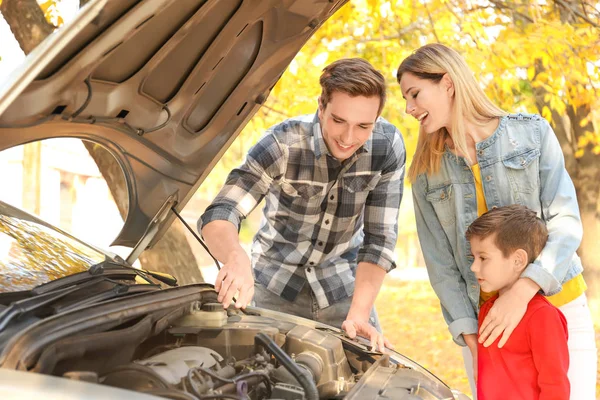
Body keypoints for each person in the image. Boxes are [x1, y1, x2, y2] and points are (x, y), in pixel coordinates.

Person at [396, 43, 597, 399]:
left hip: (558, 306)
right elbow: (442, 266)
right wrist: (472, 341)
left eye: (414, 94)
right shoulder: (426, 172)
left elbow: (564, 222)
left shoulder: (532, 133)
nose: (409, 108)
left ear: (447, 83)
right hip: (490, 329)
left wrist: (522, 291)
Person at [198, 58, 406, 351]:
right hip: (273, 288)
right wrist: (234, 256)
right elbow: (221, 212)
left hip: (344, 291)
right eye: (338, 121)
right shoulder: (282, 144)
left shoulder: (388, 146)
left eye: (363, 126)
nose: (349, 138)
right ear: (321, 107)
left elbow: (379, 240)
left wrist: (359, 313)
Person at [467, 205, 569, 400]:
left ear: (517, 260)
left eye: (483, 258)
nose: (473, 267)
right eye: (473, 257)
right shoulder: (488, 309)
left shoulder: (543, 316)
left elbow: (555, 385)